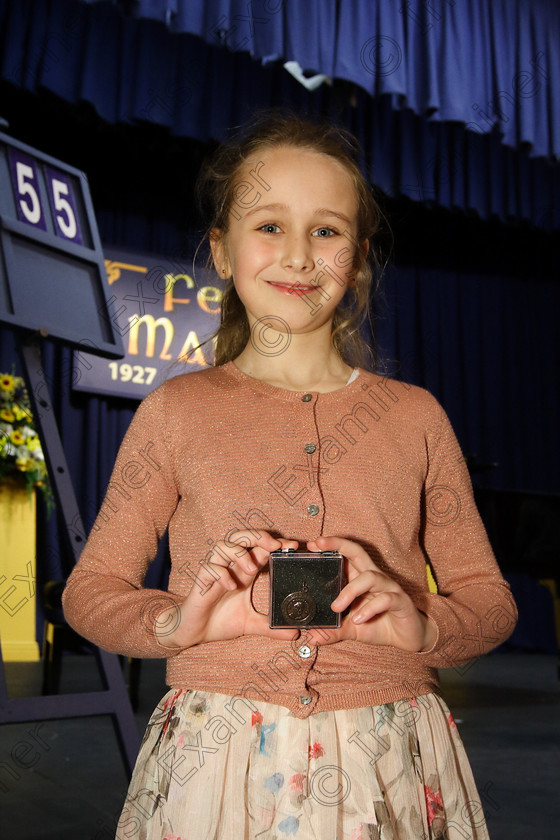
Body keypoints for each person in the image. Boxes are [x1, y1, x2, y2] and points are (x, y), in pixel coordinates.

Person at [62, 112, 517, 840]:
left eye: (328, 231)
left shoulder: (416, 416)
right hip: (219, 755)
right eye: (269, 225)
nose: (299, 255)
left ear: (360, 257)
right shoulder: (176, 411)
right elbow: (92, 592)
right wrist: (178, 625)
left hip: (386, 754)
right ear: (221, 249)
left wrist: (423, 625)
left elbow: (491, 602)